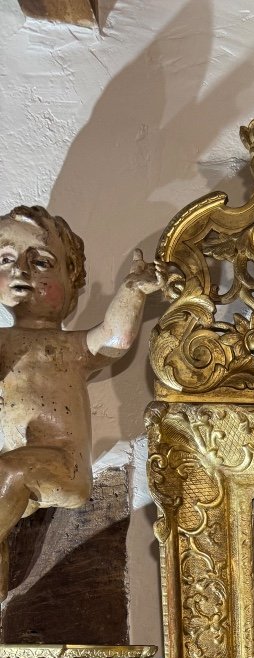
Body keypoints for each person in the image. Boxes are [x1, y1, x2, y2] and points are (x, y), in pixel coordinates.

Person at [0, 205, 166, 597]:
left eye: (40, 261)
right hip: (12, 471)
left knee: (12, 470)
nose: (21, 270)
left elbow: (113, 339)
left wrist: (133, 291)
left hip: (62, 465)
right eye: (6, 259)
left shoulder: (68, 347)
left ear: (72, 278)